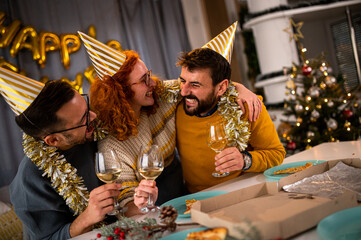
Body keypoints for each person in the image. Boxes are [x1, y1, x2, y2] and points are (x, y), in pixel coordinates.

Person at [78, 31, 261, 211]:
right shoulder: (111, 144)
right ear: (121, 91)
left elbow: (204, 85)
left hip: (179, 185)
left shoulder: (161, 95)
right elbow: (127, 206)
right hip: (148, 201)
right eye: (144, 80)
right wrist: (141, 206)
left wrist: (239, 88)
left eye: (148, 74)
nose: (153, 83)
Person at [0, 68, 157, 239]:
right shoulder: (29, 181)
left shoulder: (96, 135)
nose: (95, 116)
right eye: (84, 119)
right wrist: (87, 217)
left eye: (86, 106)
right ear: (53, 140)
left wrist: (140, 202)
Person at [176, 47, 286, 193]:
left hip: (241, 191)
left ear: (221, 88)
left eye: (195, 85)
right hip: (193, 198)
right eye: (183, 81)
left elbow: (276, 154)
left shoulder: (248, 107)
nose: (184, 91)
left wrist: (245, 160)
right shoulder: (174, 105)